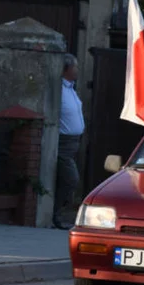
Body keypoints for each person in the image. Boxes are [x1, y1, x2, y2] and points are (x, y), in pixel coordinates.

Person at [55, 54, 85, 229]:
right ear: (67, 69)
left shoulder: (70, 88)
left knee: (66, 180)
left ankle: (58, 213)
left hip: (75, 141)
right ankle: (56, 214)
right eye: (75, 67)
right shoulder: (59, 89)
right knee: (70, 179)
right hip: (63, 143)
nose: (78, 70)